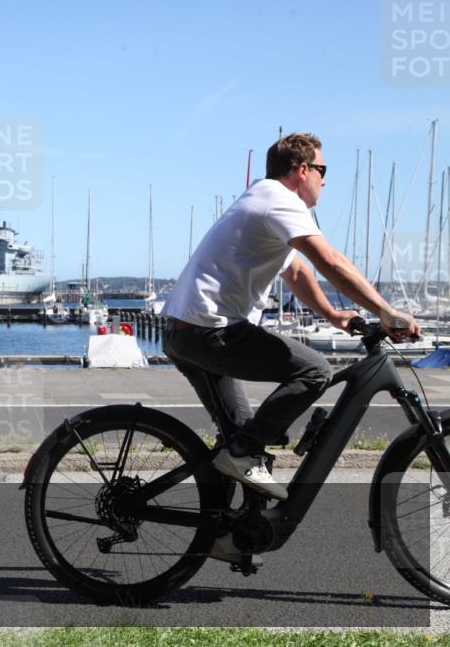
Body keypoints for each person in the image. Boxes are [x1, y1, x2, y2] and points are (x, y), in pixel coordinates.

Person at [163, 133, 420, 506]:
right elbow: (329, 261)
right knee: (314, 371)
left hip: (188, 331)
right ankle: (241, 454)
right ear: (302, 170)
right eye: (322, 171)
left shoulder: (264, 198)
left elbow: (296, 271)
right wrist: (386, 311)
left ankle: (228, 525)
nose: (324, 181)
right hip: (210, 331)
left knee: (242, 443)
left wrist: (333, 314)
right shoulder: (280, 200)